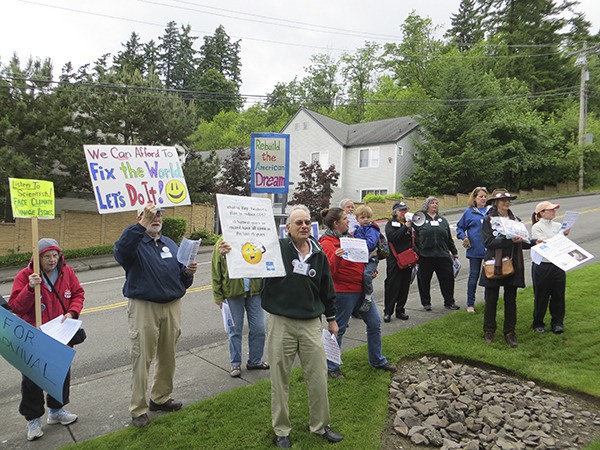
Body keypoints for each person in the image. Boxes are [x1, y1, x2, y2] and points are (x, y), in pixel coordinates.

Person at [261, 205, 343, 448]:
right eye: (298, 222)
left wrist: (331, 318)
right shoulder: (276, 249)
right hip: (281, 323)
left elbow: (327, 288)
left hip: (310, 324)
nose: (304, 226)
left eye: (307, 222)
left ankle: (320, 425)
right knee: (280, 379)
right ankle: (282, 431)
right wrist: (228, 253)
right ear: (288, 228)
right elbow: (248, 259)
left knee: (318, 376)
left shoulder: (318, 253)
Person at [114, 203, 197, 428]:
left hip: (172, 306)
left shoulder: (169, 243)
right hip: (144, 307)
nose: (156, 217)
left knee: (168, 356)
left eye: (159, 214)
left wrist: (188, 274)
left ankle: (159, 398)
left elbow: (181, 279)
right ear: (140, 217)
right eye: (151, 214)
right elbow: (120, 252)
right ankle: (138, 409)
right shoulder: (133, 242)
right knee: (142, 358)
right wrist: (142, 223)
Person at [9, 238, 84, 441]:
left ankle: (56, 411)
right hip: (35, 338)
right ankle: (33, 420)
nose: (52, 260)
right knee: (33, 380)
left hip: (61, 336)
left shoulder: (66, 272)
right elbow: (15, 307)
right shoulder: (26, 276)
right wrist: (30, 289)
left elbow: (78, 294)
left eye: (55, 255)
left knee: (60, 375)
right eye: (47, 256)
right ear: (37, 257)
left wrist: (72, 313)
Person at [319, 207, 397, 379]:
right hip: (344, 293)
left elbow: (358, 258)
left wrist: (368, 271)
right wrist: (338, 257)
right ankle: (332, 366)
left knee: (375, 323)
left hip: (361, 289)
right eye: (345, 218)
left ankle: (377, 360)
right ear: (336, 223)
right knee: (337, 329)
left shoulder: (349, 237)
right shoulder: (327, 243)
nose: (349, 221)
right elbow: (329, 271)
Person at [479, 188, 534, 348]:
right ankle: (489, 331)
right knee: (491, 300)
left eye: (508, 200)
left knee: (511, 301)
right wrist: (510, 241)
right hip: (494, 264)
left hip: (512, 263)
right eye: (503, 200)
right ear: (496, 203)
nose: (506, 202)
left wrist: (535, 242)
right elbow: (488, 242)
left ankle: (510, 333)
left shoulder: (515, 220)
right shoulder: (489, 220)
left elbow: (523, 241)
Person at [211, 236, 268, 378]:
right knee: (234, 330)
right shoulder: (222, 242)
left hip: (255, 292)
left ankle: (255, 361)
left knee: (259, 328)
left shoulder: (254, 239)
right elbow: (216, 271)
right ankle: (235, 363)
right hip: (232, 293)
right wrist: (218, 296)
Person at [414, 196, 460, 311]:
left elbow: (449, 238)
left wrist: (454, 252)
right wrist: (418, 252)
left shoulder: (442, 220)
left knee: (448, 280)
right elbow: (414, 239)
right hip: (425, 256)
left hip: (443, 255)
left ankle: (449, 302)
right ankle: (426, 303)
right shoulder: (420, 219)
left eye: (436, 203)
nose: (435, 205)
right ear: (427, 205)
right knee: (424, 281)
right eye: (432, 203)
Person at [531, 201, 569, 334]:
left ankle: (557, 322)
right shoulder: (537, 227)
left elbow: (562, 244)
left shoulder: (558, 226)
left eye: (554, 210)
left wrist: (563, 235)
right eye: (550, 210)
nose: (554, 212)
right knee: (541, 295)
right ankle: (538, 322)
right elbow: (545, 244)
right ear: (542, 213)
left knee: (558, 294)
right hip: (543, 265)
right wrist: (560, 236)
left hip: (558, 264)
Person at [456, 187, 490, 313]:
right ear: (474, 198)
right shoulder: (469, 212)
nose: (483, 199)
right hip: (475, 250)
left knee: (489, 277)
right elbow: (459, 228)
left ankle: (489, 302)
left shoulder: (490, 211)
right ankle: (470, 304)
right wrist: (464, 237)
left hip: (489, 250)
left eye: (485, 196)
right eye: (480, 196)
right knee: (473, 277)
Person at [383, 201, 413, 322]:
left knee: (404, 286)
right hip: (394, 260)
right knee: (392, 285)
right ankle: (388, 311)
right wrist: (405, 227)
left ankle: (400, 310)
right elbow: (392, 238)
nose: (403, 213)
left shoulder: (410, 224)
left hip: (407, 259)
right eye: (401, 210)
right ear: (395, 212)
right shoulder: (391, 224)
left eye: (405, 210)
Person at [353, 204, 382, 312]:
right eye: (362, 217)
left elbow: (371, 243)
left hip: (371, 258)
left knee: (366, 275)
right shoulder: (357, 230)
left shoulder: (372, 229)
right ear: (357, 218)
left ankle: (368, 298)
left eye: (368, 217)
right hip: (361, 258)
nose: (366, 220)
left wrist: (357, 244)